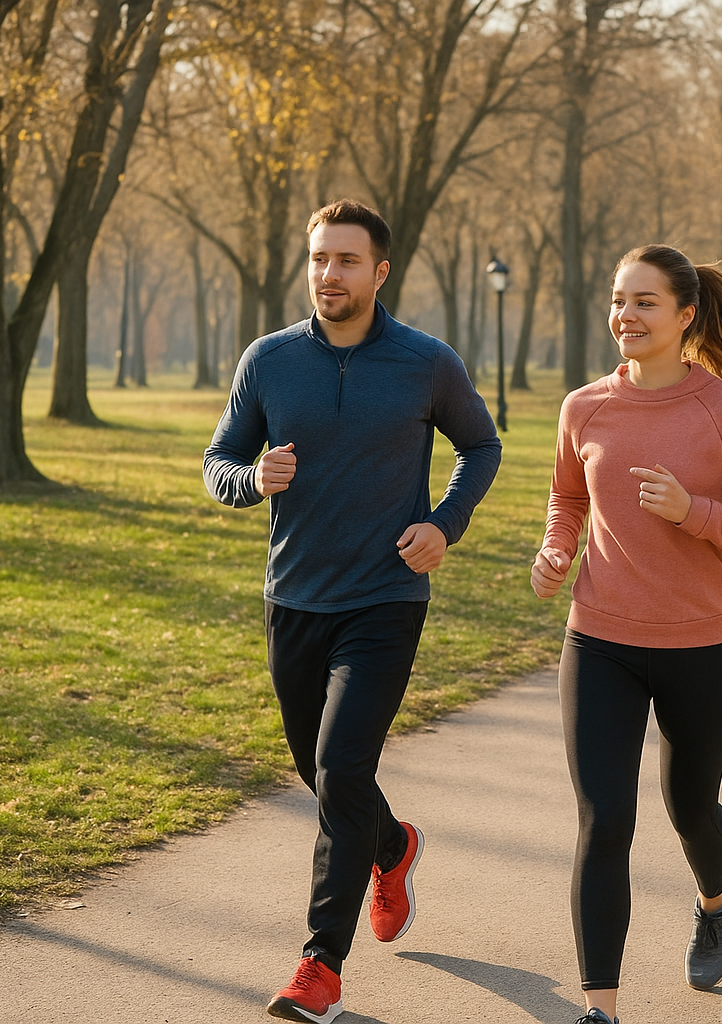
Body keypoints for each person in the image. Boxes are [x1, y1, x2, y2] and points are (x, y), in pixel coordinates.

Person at [203, 200, 501, 1023]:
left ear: (381, 271)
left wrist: (444, 525)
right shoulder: (269, 361)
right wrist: (247, 481)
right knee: (323, 771)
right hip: (294, 598)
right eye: (318, 259)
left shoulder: (425, 363)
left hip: (385, 598)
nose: (328, 274)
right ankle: (393, 846)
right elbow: (219, 457)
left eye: (345, 259)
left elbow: (482, 445)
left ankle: (318, 968)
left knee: (338, 770)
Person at [530, 244, 722, 1024]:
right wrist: (554, 550)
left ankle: (715, 896)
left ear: (685, 316)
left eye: (645, 303)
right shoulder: (585, 407)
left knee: (692, 811)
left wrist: (695, 514)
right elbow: (566, 500)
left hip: (702, 648)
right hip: (600, 642)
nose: (626, 316)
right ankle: (600, 1010)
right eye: (619, 300)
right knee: (604, 820)